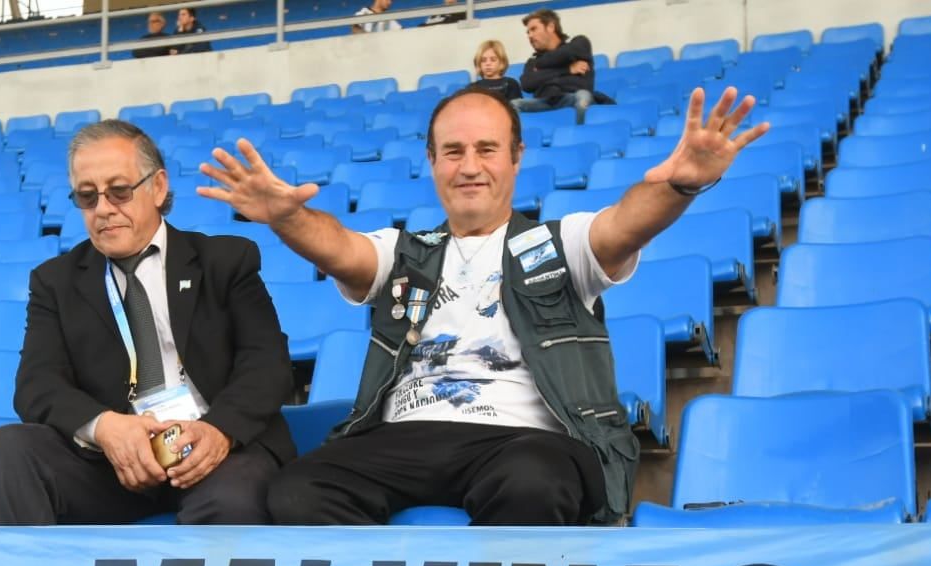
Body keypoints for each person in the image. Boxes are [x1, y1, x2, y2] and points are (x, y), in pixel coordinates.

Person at [200, 85, 768, 526]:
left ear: (516, 157)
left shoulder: (560, 244)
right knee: (298, 490)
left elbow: (624, 225)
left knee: (533, 482)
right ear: (432, 161)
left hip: (522, 438)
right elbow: (340, 248)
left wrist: (678, 186)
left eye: (486, 149)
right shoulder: (404, 253)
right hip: (406, 435)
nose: (469, 166)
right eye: (453, 151)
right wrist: (288, 217)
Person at [0, 120, 295, 527]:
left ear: (157, 187)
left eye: (119, 191)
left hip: (217, 451)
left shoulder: (226, 260)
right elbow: (37, 385)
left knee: (231, 500)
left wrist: (218, 432)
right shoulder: (55, 282)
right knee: (7, 449)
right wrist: (106, 428)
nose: (103, 209)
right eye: (87, 196)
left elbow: (266, 365)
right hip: (114, 464)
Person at [516, 9, 595, 123]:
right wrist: (568, 69)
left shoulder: (579, 44)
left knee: (583, 96)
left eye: (534, 29)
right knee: (514, 104)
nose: (530, 35)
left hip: (572, 98)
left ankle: (580, 132)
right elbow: (527, 84)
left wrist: (542, 71)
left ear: (551, 27)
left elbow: (565, 54)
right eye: (528, 32)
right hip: (544, 103)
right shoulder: (532, 61)